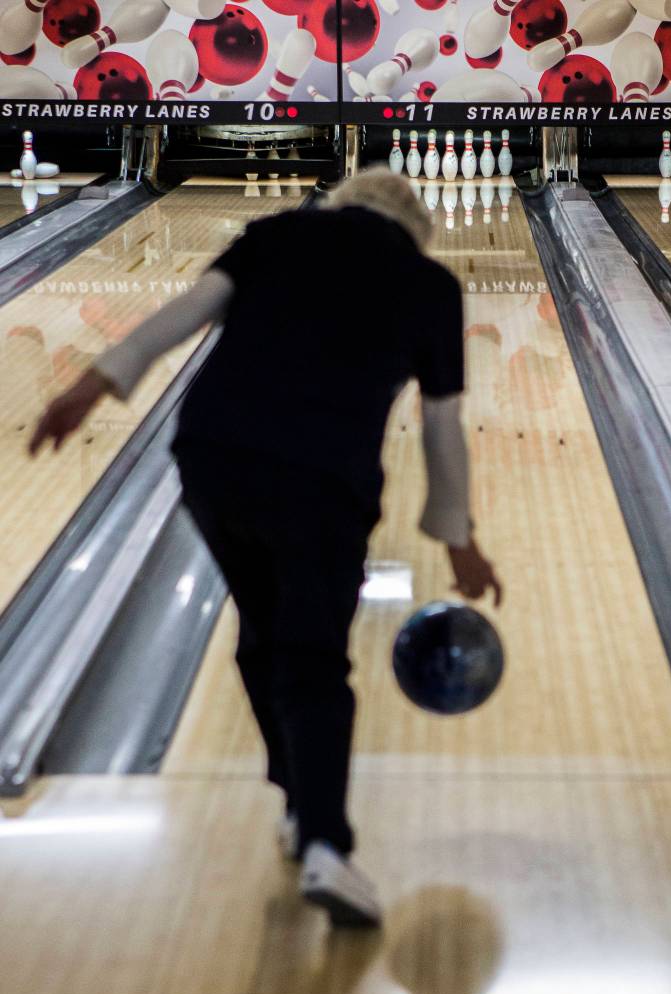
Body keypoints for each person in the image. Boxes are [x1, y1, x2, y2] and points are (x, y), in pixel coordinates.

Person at [30, 167, 503, 928]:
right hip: (323, 482)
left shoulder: (275, 234)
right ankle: (325, 843)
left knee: (262, 637)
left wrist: (93, 384)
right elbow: (442, 425)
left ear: (341, 207)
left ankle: (296, 797)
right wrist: (458, 540)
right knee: (313, 659)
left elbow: (182, 315)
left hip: (214, 457)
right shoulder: (427, 284)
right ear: (414, 232)